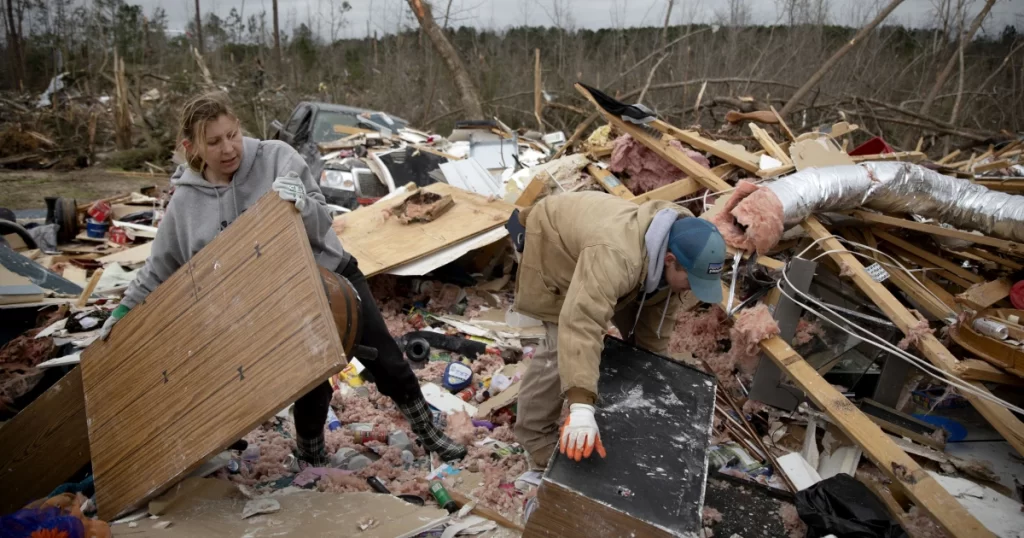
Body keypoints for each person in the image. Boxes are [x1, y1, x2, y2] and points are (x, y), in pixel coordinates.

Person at [99, 92, 466, 465]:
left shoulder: (277, 158)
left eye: (232, 135)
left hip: (330, 274)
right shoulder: (186, 203)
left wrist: (302, 205)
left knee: (386, 360)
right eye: (214, 141)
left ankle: (429, 434)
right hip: (274, 298)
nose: (228, 148)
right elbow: (160, 266)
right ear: (191, 147)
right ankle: (311, 456)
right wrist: (122, 312)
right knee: (307, 382)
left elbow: (325, 219)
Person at [509, 191, 726, 468]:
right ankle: (535, 437)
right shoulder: (618, 256)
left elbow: (655, 319)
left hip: (599, 250)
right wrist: (582, 406)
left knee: (627, 322)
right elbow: (581, 323)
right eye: (691, 281)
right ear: (669, 260)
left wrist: (653, 371)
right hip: (552, 245)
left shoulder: (680, 243)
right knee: (558, 345)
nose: (692, 289)